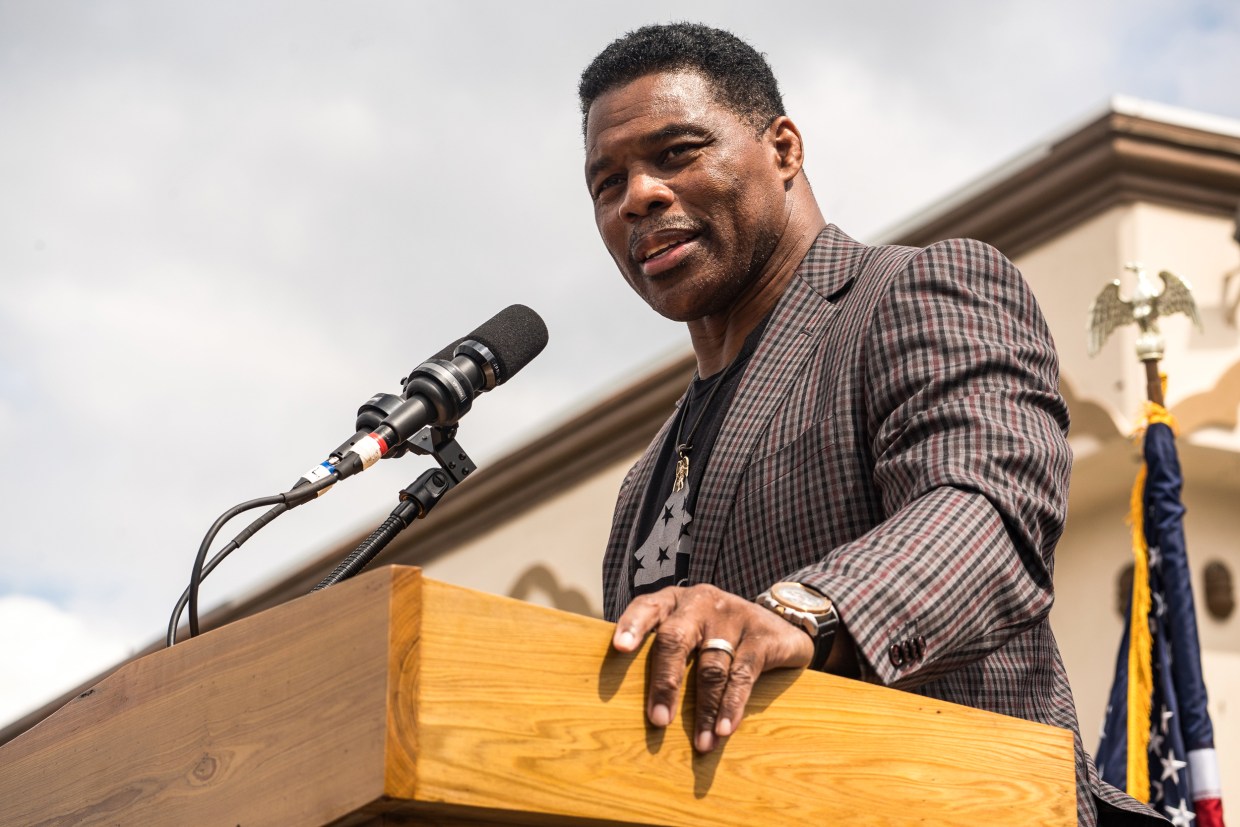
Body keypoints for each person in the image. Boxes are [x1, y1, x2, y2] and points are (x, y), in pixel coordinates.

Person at [579, 23, 1163, 826]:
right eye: (607, 184)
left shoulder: (916, 291)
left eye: (676, 152)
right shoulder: (646, 480)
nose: (638, 195)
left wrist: (796, 614)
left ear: (783, 149)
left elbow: (985, 511)